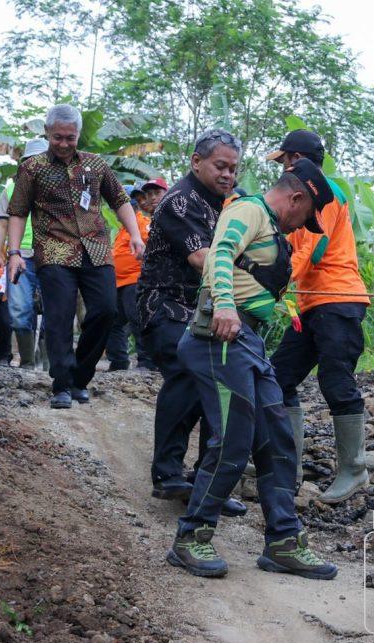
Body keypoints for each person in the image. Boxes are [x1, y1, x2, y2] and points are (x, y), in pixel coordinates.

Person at [168, 158, 337, 580]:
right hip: (221, 338)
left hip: (248, 342)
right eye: (307, 216)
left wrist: (274, 303)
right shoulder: (248, 210)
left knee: (277, 439)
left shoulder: (271, 226)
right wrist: (224, 302)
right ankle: (191, 538)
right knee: (232, 441)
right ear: (296, 197)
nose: (303, 225)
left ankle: (283, 541)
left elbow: (250, 273)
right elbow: (220, 252)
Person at [135, 131, 248, 517]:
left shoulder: (234, 203)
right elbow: (203, 259)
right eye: (220, 166)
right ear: (196, 161)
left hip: (207, 308)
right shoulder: (178, 201)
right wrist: (253, 276)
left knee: (221, 384)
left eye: (233, 168)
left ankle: (207, 481)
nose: (227, 175)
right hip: (164, 305)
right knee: (187, 370)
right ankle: (166, 474)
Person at [5, 104, 146, 409]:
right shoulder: (33, 168)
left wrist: (135, 235)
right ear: (47, 133)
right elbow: (17, 212)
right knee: (59, 317)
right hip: (54, 249)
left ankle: (80, 376)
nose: (65, 144)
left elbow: (120, 200)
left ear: (78, 134)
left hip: (96, 249)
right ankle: (61, 385)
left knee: (106, 311)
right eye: (58, 137)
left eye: (70, 138)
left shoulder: (96, 166)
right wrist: (14, 252)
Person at [266, 130, 371, 502]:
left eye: (284, 161)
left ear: (296, 159)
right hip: (312, 302)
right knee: (279, 377)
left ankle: (354, 469)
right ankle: (285, 464)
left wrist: (269, 285)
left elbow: (309, 249)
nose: (282, 169)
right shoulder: (304, 194)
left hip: (338, 299)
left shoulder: (324, 194)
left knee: (335, 379)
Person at [0, 138, 50, 368]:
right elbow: (1, 223)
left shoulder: (61, 187)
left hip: (54, 255)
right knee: (19, 310)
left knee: (55, 311)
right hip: (21, 256)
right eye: (31, 160)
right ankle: (27, 361)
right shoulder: (12, 188)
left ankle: (49, 365)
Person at [106, 178, 163, 370]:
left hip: (135, 280)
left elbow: (155, 248)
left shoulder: (143, 222)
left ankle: (147, 361)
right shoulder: (122, 230)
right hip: (117, 283)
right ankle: (118, 361)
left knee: (138, 320)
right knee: (112, 322)